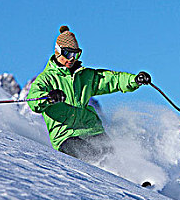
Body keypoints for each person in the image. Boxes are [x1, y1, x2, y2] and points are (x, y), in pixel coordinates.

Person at [27, 25, 151, 165]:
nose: (72, 58)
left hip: (92, 129)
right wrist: (49, 97)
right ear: (58, 52)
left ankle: (139, 181)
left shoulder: (85, 76)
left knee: (114, 157)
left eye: (76, 54)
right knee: (93, 157)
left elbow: (111, 79)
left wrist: (134, 80)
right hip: (66, 135)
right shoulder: (46, 79)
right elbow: (34, 100)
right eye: (68, 54)